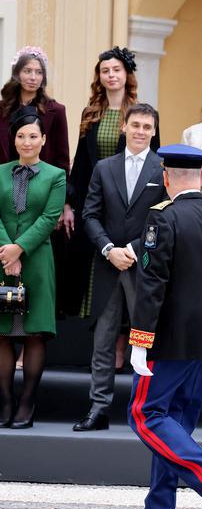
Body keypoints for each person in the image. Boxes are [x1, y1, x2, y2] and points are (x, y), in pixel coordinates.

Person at [122, 144, 202, 509]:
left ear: (167, 178)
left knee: (146, 414)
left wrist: (140, 338)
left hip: (169, 337)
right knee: (174, 423)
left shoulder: (163, 217)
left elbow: (151, 282)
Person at [76, 103, 165, 432]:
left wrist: (133, 248)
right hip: (107, 263)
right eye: (136, 125)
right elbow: (90, 214)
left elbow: (164, 218)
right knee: (102, 339)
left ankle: (147, 412)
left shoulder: (162, 168)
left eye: (147, 126)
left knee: (145, 339)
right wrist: (109, 248)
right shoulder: (104, 167)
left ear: (154, 131)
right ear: (124, 127)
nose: (141, 131)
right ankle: (99, 407)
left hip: (144, 264)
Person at [68, 46, 159, 323]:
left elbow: (154, 162)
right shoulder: (90, 113)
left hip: (131, 203)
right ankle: (100, 339)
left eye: (116, 70)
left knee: (130, 270)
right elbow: (80, 162)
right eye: (105, 71)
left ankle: (123, 344)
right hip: (95, 201)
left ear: (126, 74)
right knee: (98, 267)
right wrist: (68, 203)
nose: (111, 76)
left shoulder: (140, 115)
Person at [0, 107, 65, 429]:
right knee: (2, 334)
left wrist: (19, 249)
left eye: (33, 136)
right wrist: (7, 252)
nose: (27, 142)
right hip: (0, 260)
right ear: (14, 140)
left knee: (33, 334)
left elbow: (49, 218)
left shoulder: (55, 175)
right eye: (21, 136)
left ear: (43, 140)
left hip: (37, 261)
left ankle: (27, 402)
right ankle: (6, 402)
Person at [0, 46, 69, 172]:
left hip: (42, 184)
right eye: (27, 71)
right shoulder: (2, 109)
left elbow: (62, 159)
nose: (33, 77)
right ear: (17, 73)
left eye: (39, 72)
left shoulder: (56, 110)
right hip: (4, 182)